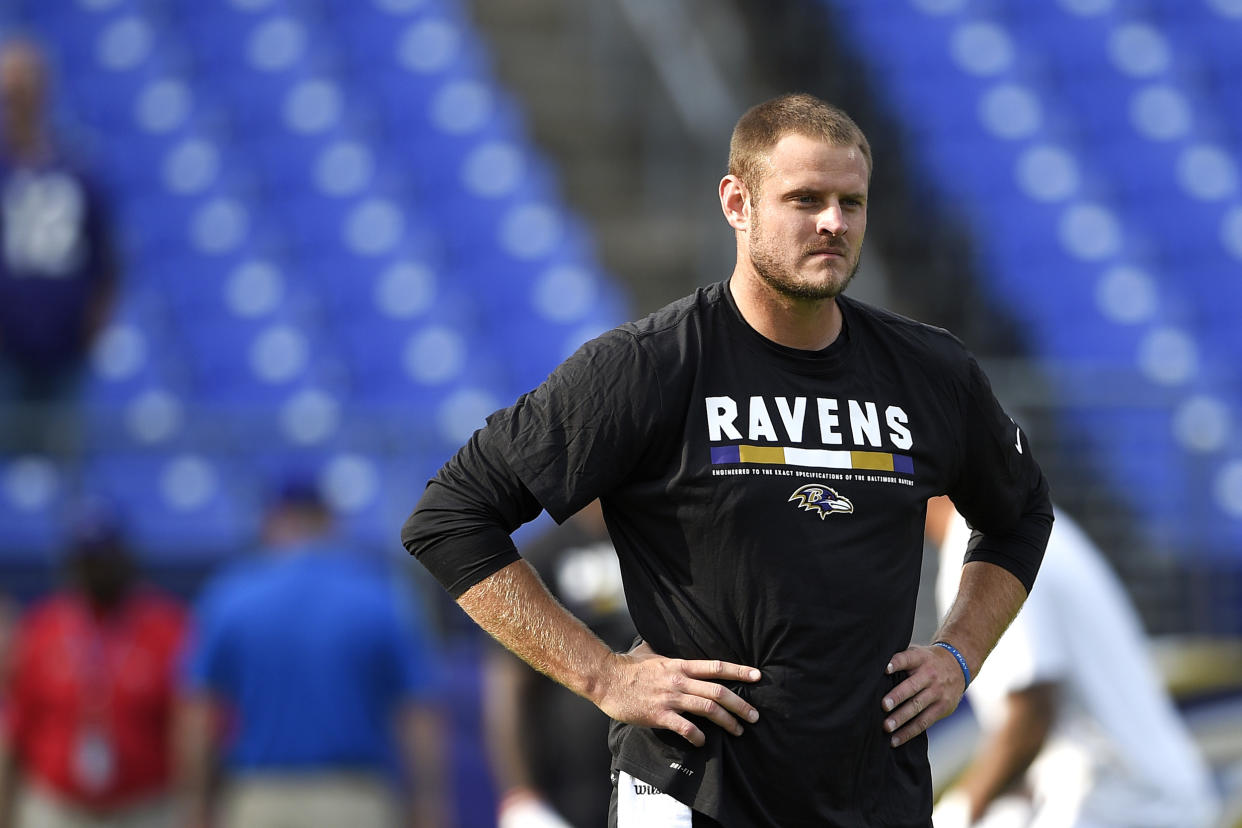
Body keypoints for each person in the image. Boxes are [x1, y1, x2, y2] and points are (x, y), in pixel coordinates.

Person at [402, 92, 1053, 827]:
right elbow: (449, 518)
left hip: (875, 797)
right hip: (691, 796)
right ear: (736, 202)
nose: (834, 223)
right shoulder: (648, 366)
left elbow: (1022, 513)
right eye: (805, 199)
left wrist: (960, 653)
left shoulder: (932, 372)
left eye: (852, 202)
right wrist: (603, 675)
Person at [927, 497, 1220, 828]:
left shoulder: (989, 546)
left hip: (1128, 807)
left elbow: (1031, 716)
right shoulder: (1025, 526)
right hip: (1143, 801)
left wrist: (956, 814)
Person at [177, 479, 450, 828]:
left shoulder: (230, 596)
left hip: (260, 800)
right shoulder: (381, 595)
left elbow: (197, 714)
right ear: (329, 521)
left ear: (270, 521)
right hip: (355, 801)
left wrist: (196, 804)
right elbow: (418, 714)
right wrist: (429, 804)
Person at [0, 496, 188, 828]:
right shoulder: (43, 628)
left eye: (105, 558)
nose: (98, 570)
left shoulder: (166, 627)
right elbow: (17, 729)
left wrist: (194, 804)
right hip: (57, 808)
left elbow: (189, 724)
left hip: (145, 807)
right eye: (89, 560)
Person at [484, 500, 636, 828]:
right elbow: (510, 682)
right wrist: (520, 793)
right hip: (570, 783)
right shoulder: (543, 555)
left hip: (656, 773)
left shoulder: (663, 545)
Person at [0, 36, 119, 454]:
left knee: (62, 465)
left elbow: (108, 264)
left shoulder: (76, 173)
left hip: (64, 357)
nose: (14, 103)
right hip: (6, 357)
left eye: (22, 91)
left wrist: (88, 333)